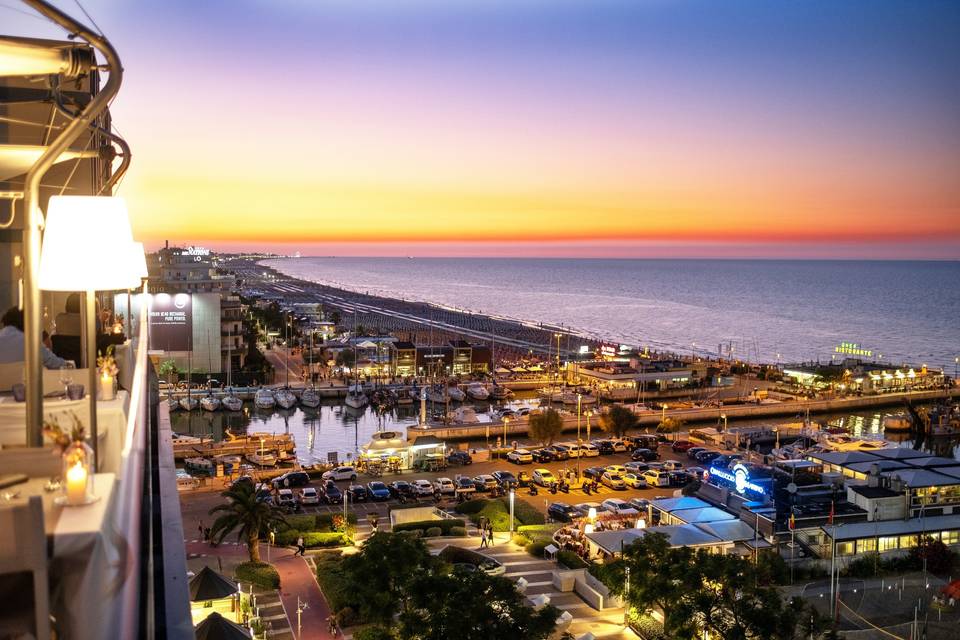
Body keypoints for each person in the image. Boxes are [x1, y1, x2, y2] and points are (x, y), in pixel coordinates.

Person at [0, 307, 69, 369]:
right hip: (26, 382)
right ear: (27, 322)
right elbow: (53, 362)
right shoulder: (30, 341)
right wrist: (69, 364)